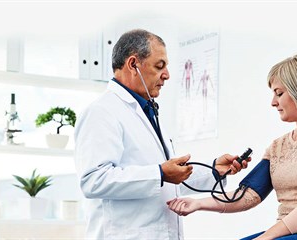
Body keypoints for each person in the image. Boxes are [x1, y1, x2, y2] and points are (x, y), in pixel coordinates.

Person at [74, 29, 250, 240]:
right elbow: (94, 180)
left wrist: (213, 171)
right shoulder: (102, 112)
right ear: (133, 64)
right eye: (160, 66)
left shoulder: (146, 112)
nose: (166, 75)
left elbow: (167, 182)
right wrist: (160, 174)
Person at [167, 54, 297, 240]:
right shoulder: (279, 146)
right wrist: (198, 204)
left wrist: (267, 237)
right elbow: (249, 194)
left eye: (279, 93)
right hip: (288, 234)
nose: (273, 102)